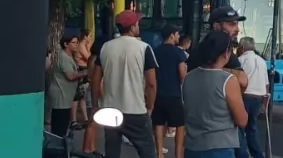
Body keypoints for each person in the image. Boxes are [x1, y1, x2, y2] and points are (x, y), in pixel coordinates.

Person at [92, 10, 158, 158]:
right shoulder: (144, 48)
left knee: (112, 151)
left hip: (110, 110)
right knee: (147, 151)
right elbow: (152, 83)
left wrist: (96, 105)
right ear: (133, 27)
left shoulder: (105, 47)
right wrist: (150, 107)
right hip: (135, 110)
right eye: (137, 23)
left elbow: (95, 80)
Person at [183, 30, 248, 158]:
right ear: (226, 52)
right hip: (219, 147)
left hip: (192, 147)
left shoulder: (188, 77)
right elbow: (242, 120)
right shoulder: (228, 80)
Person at [187, 5, 248, 90]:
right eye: (231, 24)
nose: (237, 29)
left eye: (237, 24)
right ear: (216, 26)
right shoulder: (199, 51)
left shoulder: (229, 53)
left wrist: (215, 70)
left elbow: (243, 80)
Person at [152, 25, 187, 158]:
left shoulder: (155, 51)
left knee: (159, 123)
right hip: (174, 94)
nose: (179, 37)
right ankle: (178, 155)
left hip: (158, 94)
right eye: (177, 34)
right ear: (171, 35)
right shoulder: (178, 52)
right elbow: (182, 74)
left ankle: (160, 153)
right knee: (180, 125)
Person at [48, 34, 87, 137]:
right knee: (59, 126)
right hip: (61, 96)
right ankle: (56, 148)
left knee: (62, 124)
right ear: (66, 44)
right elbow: (70, 76)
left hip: (65, 96)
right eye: (73, 43)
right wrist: (84, 73)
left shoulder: (68, 57)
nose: (76, 45)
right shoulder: (64, 57)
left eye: (77, 42)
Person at [236, 37, 268, 158]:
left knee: (239, 128)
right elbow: (266, 84)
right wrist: (264, 103)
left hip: (244, 96)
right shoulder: (262, 61)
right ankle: (258, 155)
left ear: (242, 48)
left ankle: (242, 155)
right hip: (258, 98)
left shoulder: (240, 60)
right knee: (252, 128)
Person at [72, 29, 92, 125]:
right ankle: (73, 119)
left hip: (84, 69)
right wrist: (88, 46)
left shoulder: (84, 46)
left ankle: (85, 118)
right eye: (89, 36)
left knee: (82, 96)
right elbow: (89, 58)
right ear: (85, 37)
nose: (90, 38)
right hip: (81, 69)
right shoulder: (81, 46)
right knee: (77, 96)